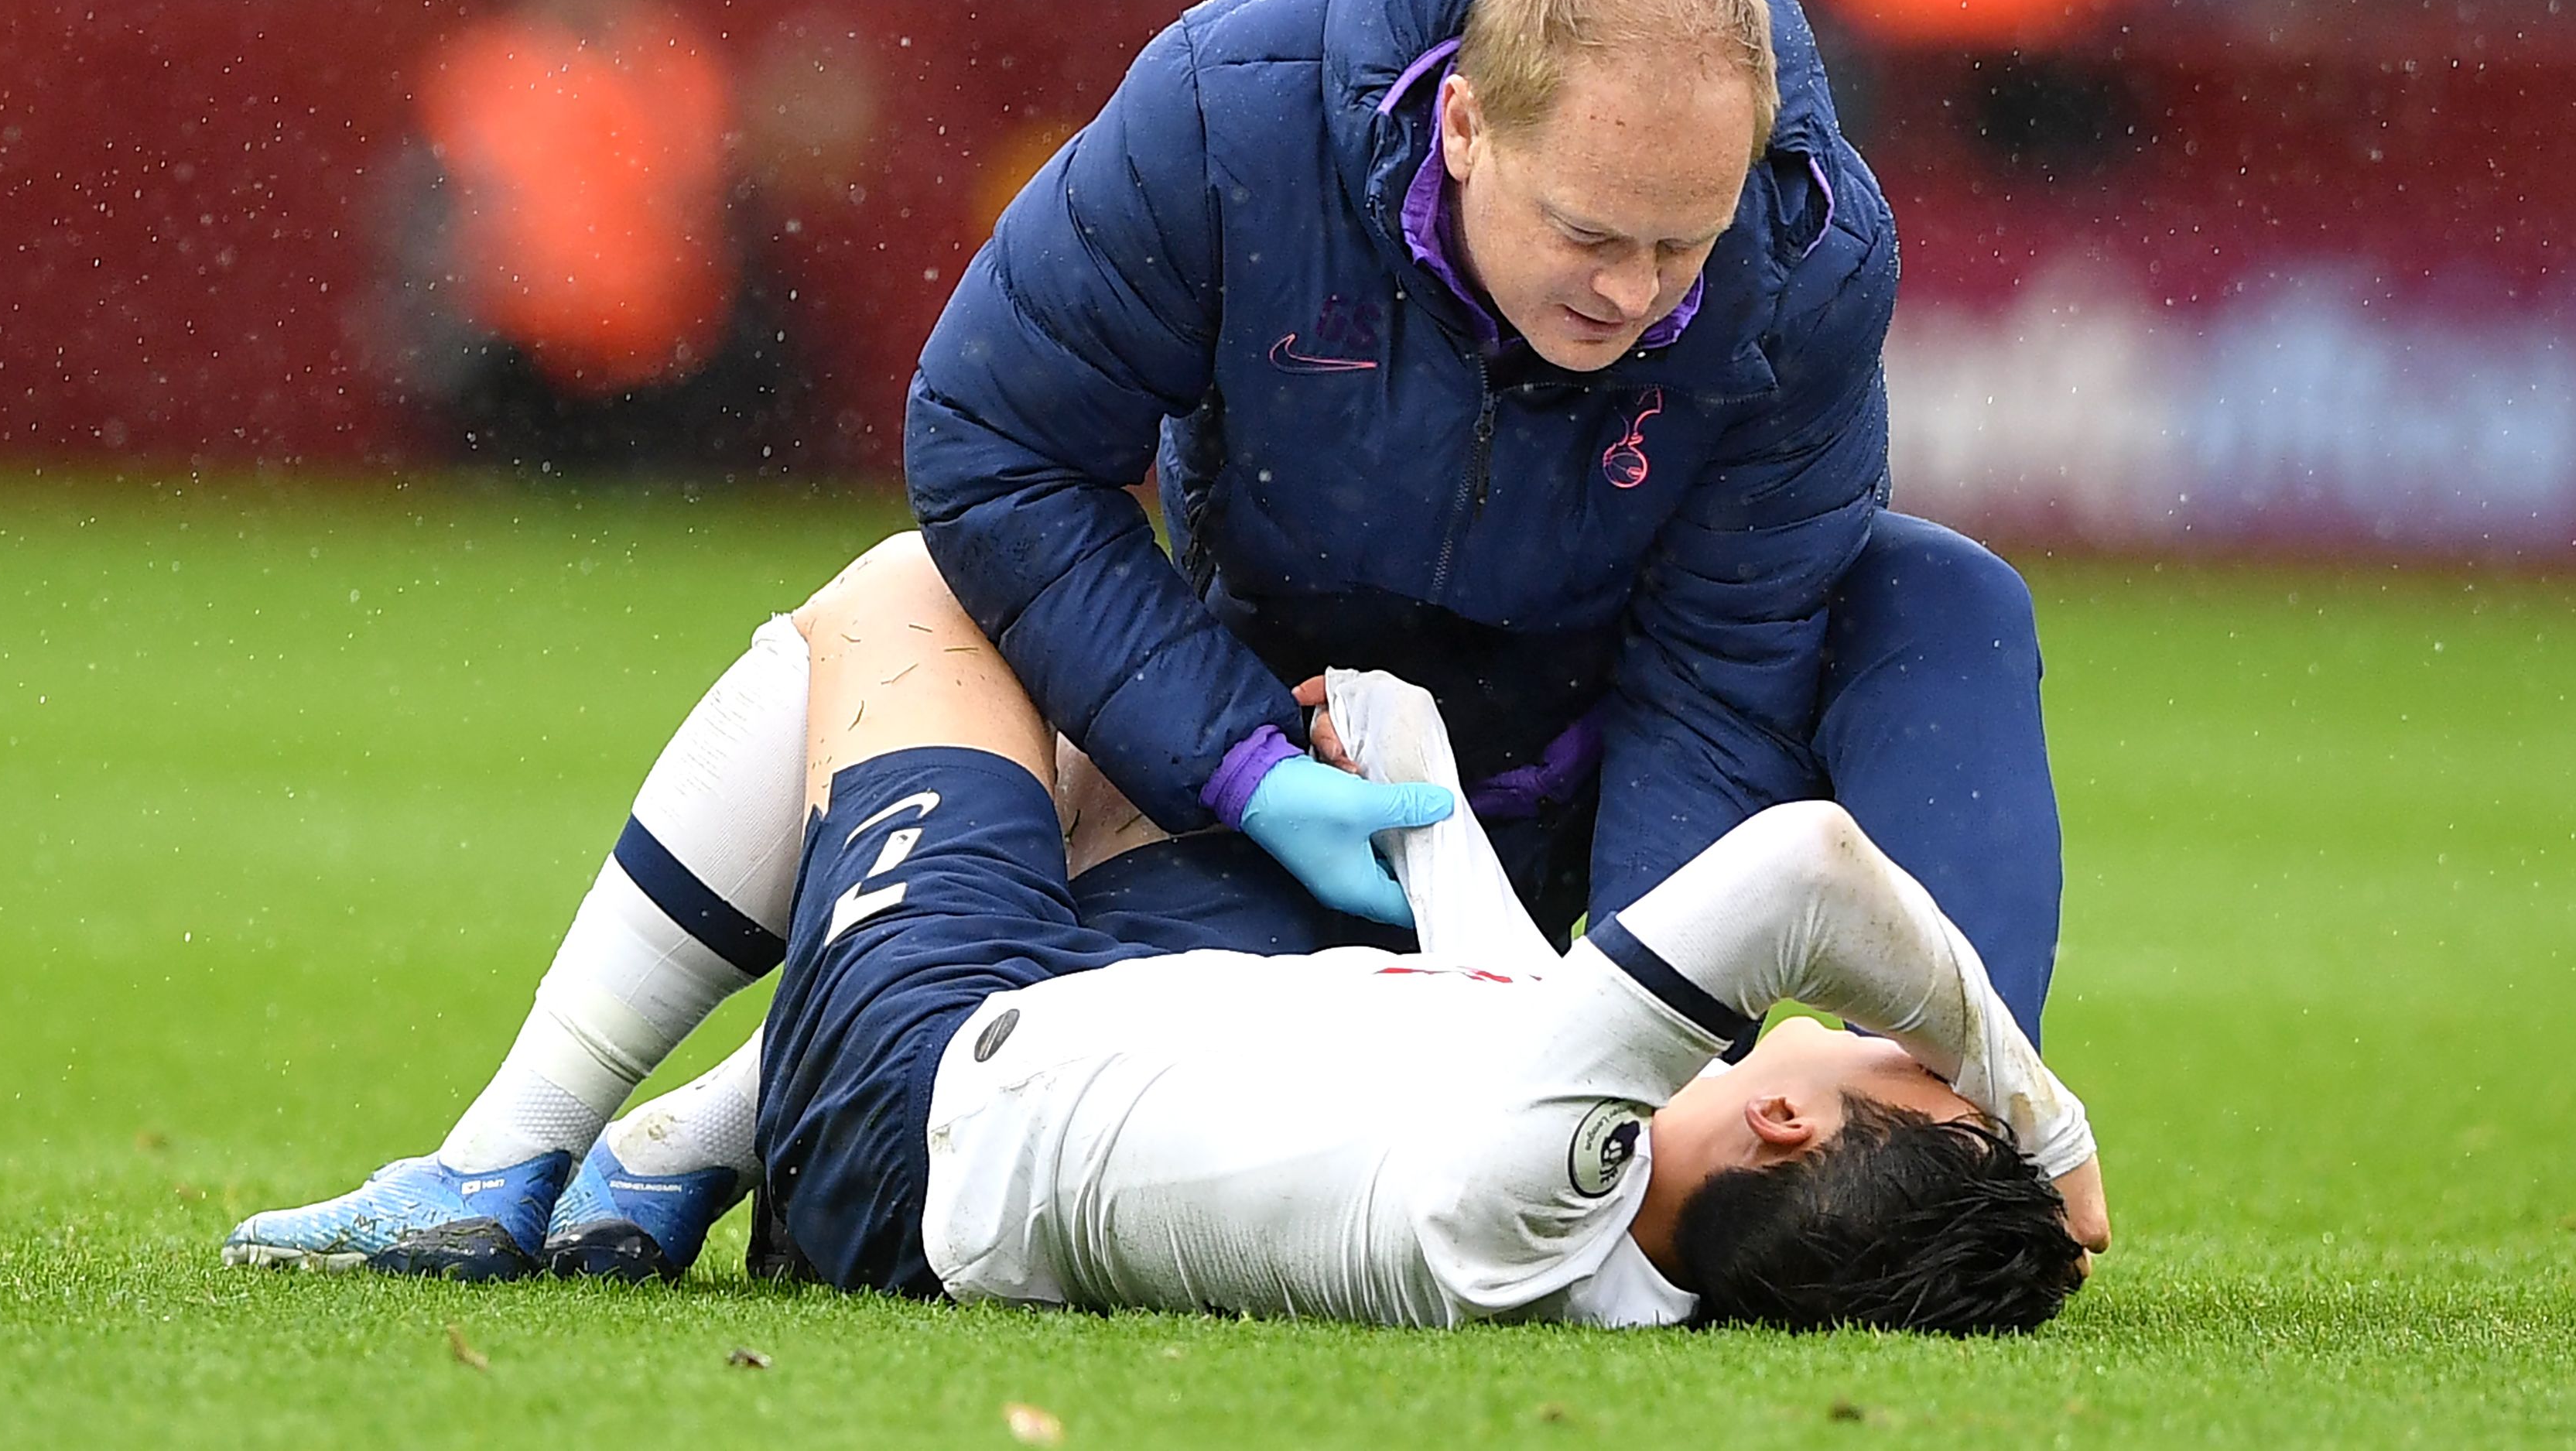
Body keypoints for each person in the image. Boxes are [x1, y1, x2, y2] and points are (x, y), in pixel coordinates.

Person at [226, 539, 2109, 1326]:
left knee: (921, 594)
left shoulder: (1527, 1191)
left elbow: (1798, 868)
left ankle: (506, 1158)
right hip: (993, 1109)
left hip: (928, 1092)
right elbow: (1481, 951)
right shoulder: (1598, 1195)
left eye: (1909, 1082)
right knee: (1126, 751)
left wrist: (2037, 1112)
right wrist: (1394, 740)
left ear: (1791, 1124)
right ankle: (662, 1163)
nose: (1912, 1050)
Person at [905, 0, 2071, 1047]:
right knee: (1177, 1093)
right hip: (1310, 755)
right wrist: (1238, 762)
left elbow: (1727, 667)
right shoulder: (1222, 124)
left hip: (1605, 751)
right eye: (1590, 233)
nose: (1635, 293)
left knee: (1943, 598)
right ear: (1461, 125)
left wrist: (1644, 1035)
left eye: (1683, 246)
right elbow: (994, 443)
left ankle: (1954, 1141)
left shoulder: (1804, 252)